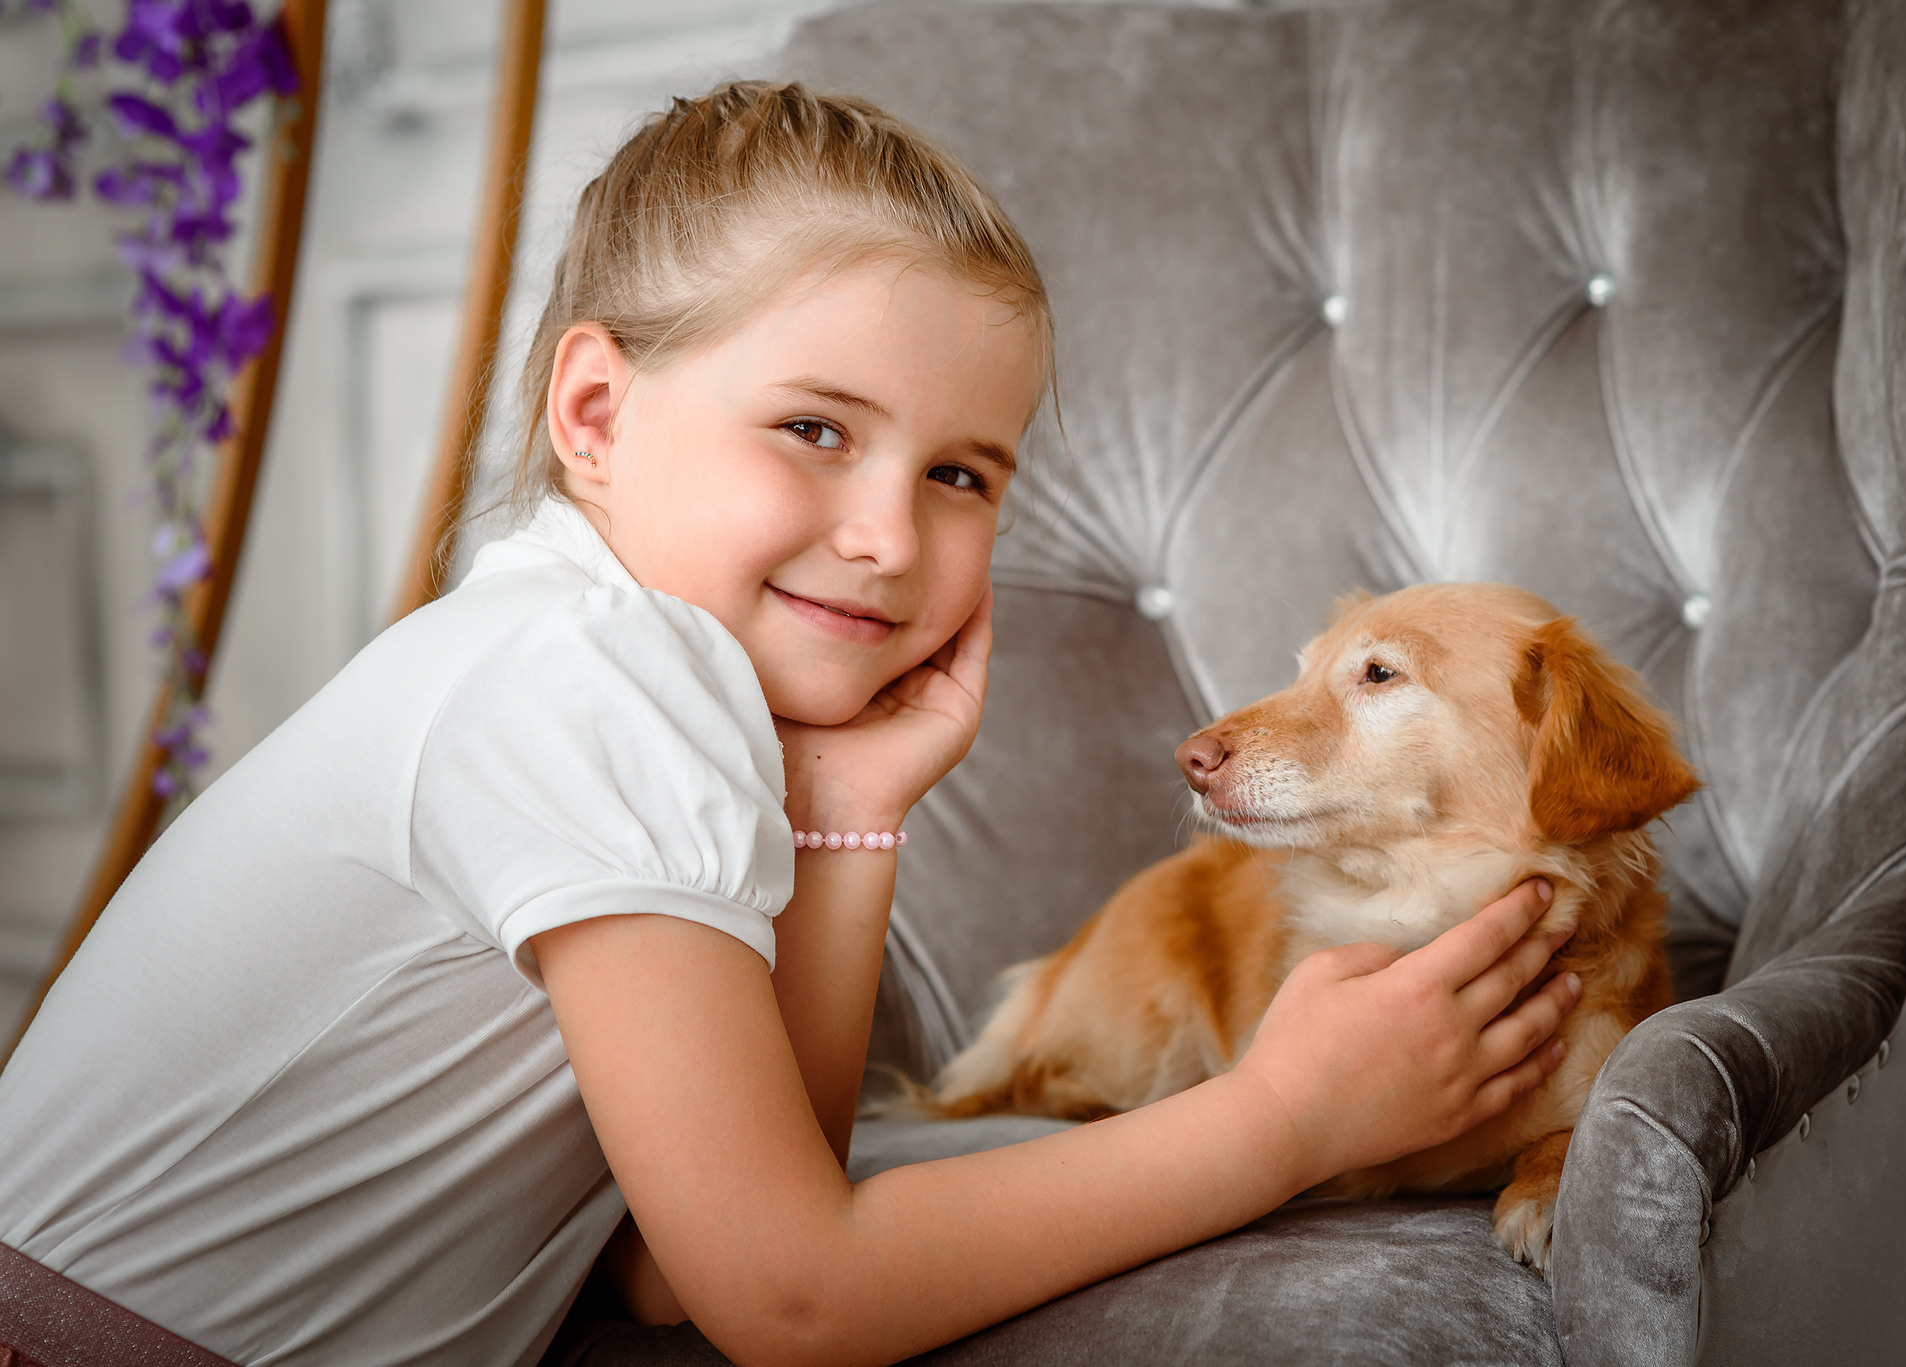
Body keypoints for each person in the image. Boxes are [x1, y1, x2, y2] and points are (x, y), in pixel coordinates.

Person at [0, 83, 1580, 1367]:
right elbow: (795, 1301)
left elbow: (686, 1268)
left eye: (960, 474)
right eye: (816, 429)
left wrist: (847, 807)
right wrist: (1283, 1119)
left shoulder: (621, 669)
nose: (893, 536)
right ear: (594, 416)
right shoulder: (587, 688)